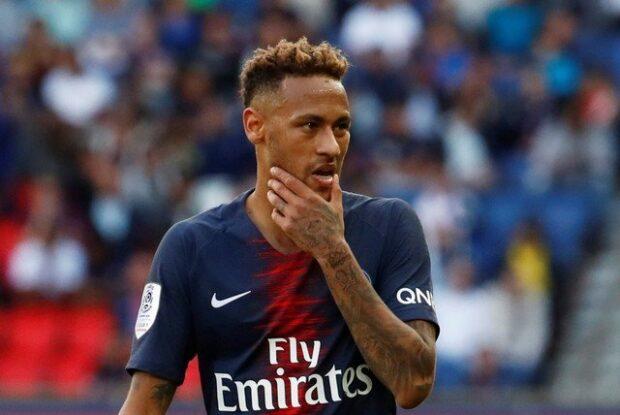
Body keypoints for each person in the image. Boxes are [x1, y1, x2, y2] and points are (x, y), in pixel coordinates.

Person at [119, 38, 439, 415]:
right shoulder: (192, 247)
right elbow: (143, 404)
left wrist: (332, 251)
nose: (331, 147)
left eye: (341, 127)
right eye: (309, 125)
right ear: (255, 126)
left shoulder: (388, 226)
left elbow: (413, 383)